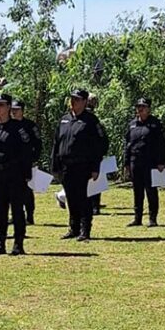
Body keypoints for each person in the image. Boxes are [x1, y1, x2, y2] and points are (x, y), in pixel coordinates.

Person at [50, 88, 109, 241]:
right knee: (71, 198)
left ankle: (85, 230)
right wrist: (54, 164)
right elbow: (57, 143)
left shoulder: (90, 121)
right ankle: (73, 228)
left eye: (77, 99)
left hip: (83, 167)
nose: (73, 102)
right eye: (72, 99)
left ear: (84, 102)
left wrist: (95, 166)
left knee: (84, 199)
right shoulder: (64, 119)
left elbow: (101, 144)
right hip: (66, 166)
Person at [0, 93, 33, 256]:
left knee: (17, 210)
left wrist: (26, 173)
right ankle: (0, 243)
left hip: (15, 175)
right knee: (0, 210)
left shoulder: (18, 129)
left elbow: (26, 152)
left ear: (9, 107)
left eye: (2, 104)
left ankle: (18, 244)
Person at [123, 98, 165, 227]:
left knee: (151, 191)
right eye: (138, 106)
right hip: (135, 162)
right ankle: (137, 218)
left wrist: (161, 161)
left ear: (148, 109)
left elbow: (161, 144)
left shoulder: (155, 124)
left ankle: (152, 218)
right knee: (137, 191)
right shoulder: (132, 124)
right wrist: (126, 162)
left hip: (150, 162)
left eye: (143, 106)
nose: (140, 109)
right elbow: (127, 144)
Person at [10, 99, 42, 225]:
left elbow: (38, 144)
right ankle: (15, 215)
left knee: (27, 191)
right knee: (12, 192)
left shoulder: (30, 126)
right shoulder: (9, 125)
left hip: (26, 164)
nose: (14, 112)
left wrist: (34, 159)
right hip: (12, 164)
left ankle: (29, 216)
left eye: (16, 110)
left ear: (22, 111)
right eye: (12, 110)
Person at [86, 93, 105, 215]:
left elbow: (102, 140)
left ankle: (95, 206)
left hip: (93, 155)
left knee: (95, 181)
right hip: (82, 156)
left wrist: (100, 154)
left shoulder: (95, 121)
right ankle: (91, 206)